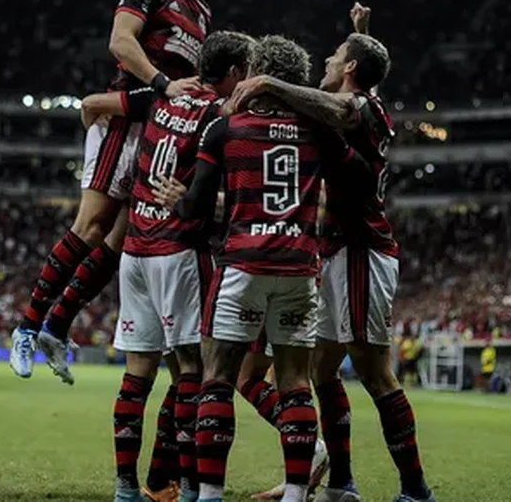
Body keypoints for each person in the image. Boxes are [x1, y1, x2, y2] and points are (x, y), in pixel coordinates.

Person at [9, 0, 226, 383]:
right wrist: (164, 84)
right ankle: (26, 326)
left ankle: (57, 325)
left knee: (124, 240)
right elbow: (120, 42)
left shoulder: (202, 12)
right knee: (91, 226)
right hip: (126, 122)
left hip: (158, 129)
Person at [224, 4, 436, 502]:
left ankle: (416, 490)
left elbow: (345, 106)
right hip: (337, 253)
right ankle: (341, 481)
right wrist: (361, 34)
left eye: (337, 54)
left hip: (363, 252)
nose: (326, 57)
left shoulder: (357, 107)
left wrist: (272, 85)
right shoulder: (367, 101)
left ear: (349, 70)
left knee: (375, 372)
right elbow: (359, 87)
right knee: (319, 371)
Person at [158, 35, 374, 502]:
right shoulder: (319, 132)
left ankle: (210, 495)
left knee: (218, 374)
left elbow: (194, 209)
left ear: (257, 72)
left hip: (242, 265)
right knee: (296, 382)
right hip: (299, 267)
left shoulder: (226, 129)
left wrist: (182, 206)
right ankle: (297, 495)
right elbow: (361, 175)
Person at [80, 31, 252, 502]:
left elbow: (103, 103)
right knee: (192, 371)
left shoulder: (162, 96)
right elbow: (212, 200)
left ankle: (125, 488)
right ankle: (194, 486)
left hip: (134, 249)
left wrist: (92, 108)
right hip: (177, 251)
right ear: (236, 72)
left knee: (137, 373)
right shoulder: (220, 115)